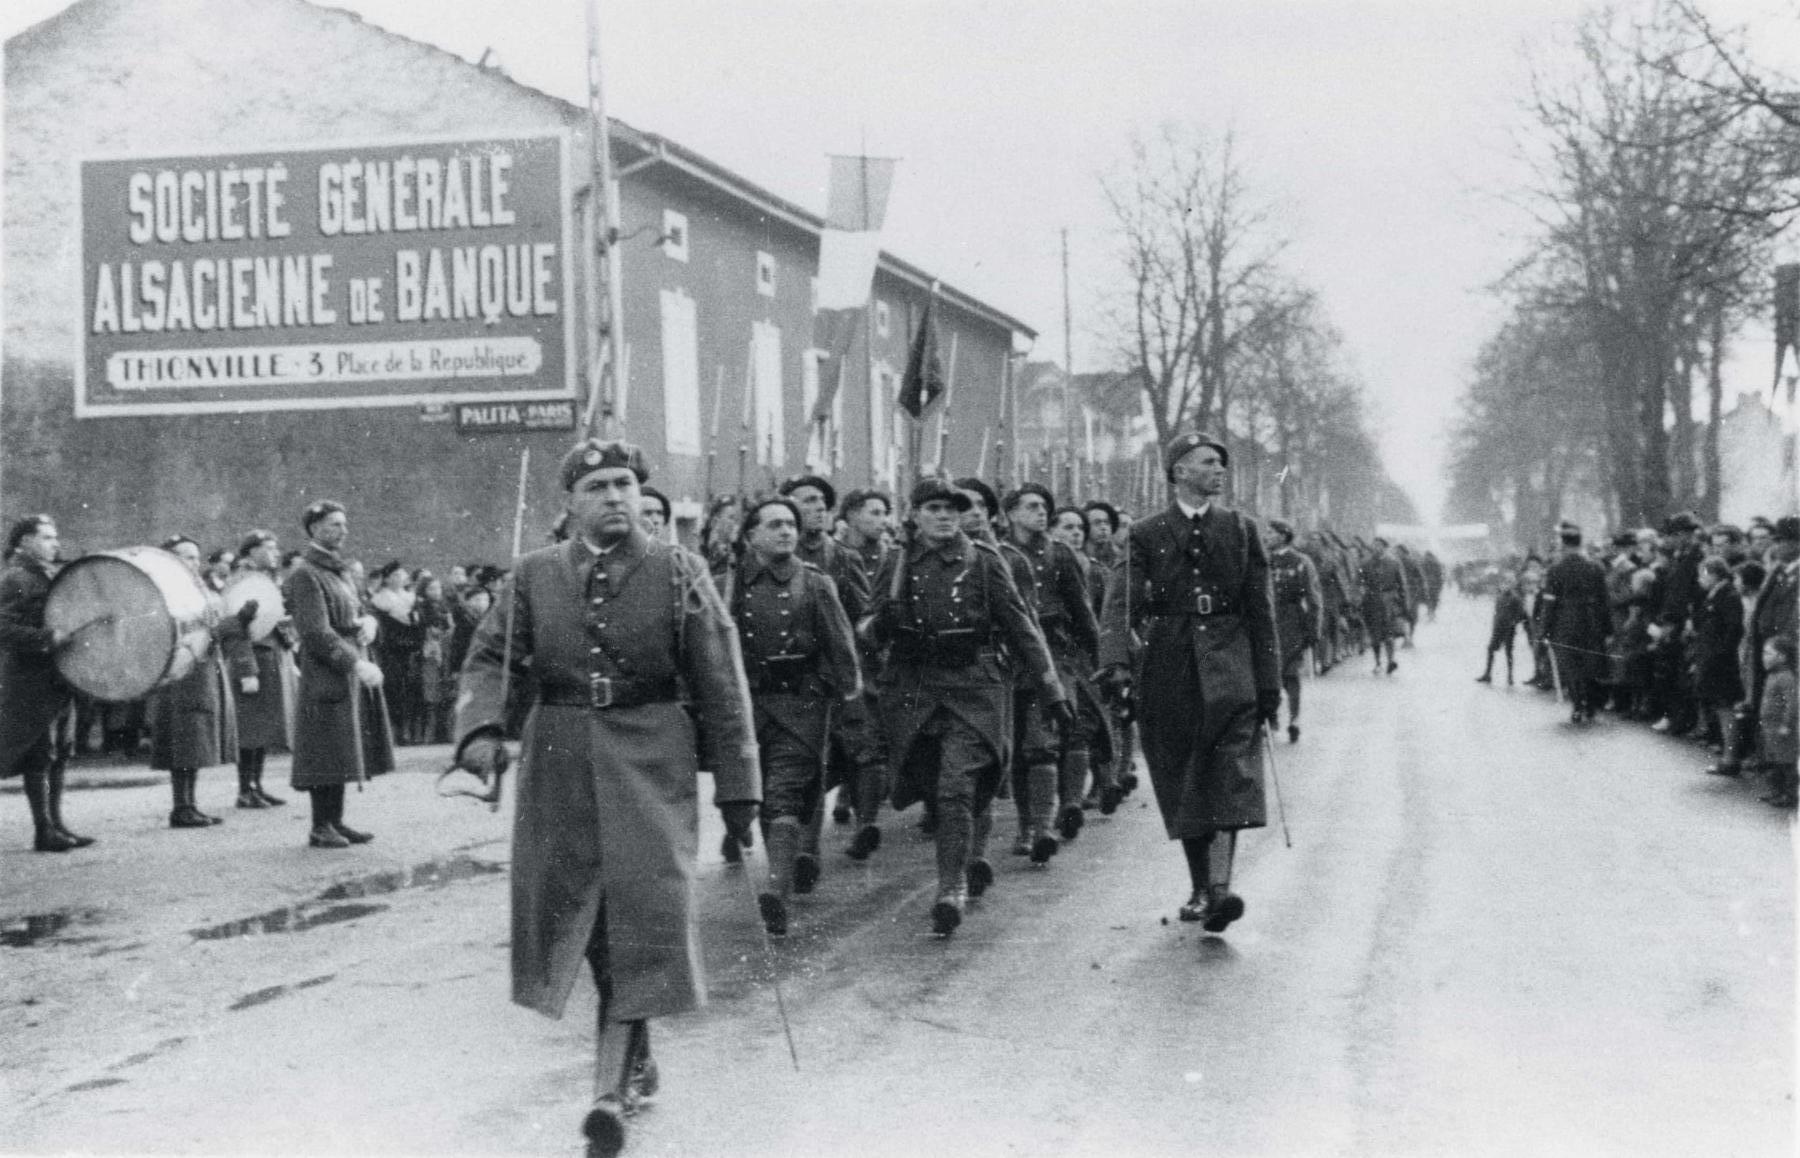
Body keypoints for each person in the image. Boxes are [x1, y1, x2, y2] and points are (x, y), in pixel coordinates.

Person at [452, 439, 759, 1157]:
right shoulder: (532, 575)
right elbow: (491, 656)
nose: (617, 496)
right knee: (580, 917)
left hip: (652, 754)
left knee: (644, 912)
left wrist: (739, 786)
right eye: (598, 486)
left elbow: (721, 681)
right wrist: (481, 730)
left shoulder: (680, 571)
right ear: (570, 502)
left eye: (626, 483)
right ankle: (634, 1055)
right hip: (558, 757)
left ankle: (608, 1094)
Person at [867, 478, 1069, 936]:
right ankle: (961, 861)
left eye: (952, 509)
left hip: (973, 689)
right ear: (915, 515)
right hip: (916, 691)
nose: (944, 517)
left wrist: (1051, 689)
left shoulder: (984, 560)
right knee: (933, 787)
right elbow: (865, 628)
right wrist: (882, 622)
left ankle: (950, 887)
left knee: (956, 786)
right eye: (934, 509)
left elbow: (1022, 627)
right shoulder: (896, 562)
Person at [1099, 432, 1279, 933]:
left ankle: (1220, 889)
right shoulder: (1146, 533)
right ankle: (1201, 886)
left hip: (1231, 663)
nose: (1219, 469)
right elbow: (1120, 601)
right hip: (1169, 663)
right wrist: (1116, 663)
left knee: (1230, 772)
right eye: (1208, 462)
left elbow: (1261, 610)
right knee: (1182, 775)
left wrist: (1268, 682)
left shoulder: (1241, 529)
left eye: (1221, 462)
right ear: (1179, 471)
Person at [725, 497, 860, 936]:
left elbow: (842, 648)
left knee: (784, 791)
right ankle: (779, 881)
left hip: (802, 706)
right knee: (763, 793)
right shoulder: (730, 583)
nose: (786, 531)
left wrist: (848, 701)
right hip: (749, 706)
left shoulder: (815, 583)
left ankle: (776, 893)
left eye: (791, 524)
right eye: (775, 524)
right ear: (751, 536)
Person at [779, 474, 884, 866]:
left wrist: (862, 662)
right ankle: (807, 850)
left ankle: (866, 825)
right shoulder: (771, 555)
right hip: (796, 681)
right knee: (810, 760)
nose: (819, 507)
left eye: (822, 501)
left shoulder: (842, 557)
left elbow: (863, 615)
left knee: (864, 748)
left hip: (840, 674)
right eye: (808, 500)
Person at [1002, 482, 1108, 861]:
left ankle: (1043, 827)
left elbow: (1082, 611)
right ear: (1011, 513)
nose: (1041, 512)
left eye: (1044, 506)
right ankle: (1025, 825)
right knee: (1017, 748)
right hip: (1010, 659)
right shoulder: (998, 554)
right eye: (1031, 506)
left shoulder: (1059, 554)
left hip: (1054, 656)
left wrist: (1101, 660)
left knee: (1041, 743)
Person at [283, 501, 394, 849]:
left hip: (344, 667)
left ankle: (336, 820)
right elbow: (316, 632)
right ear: (314, 528)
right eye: (334, 524)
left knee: (342, 746)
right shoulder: (305, 574)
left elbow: (356, 609)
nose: (343, 531)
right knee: (324, 748)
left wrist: (369, 621)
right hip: (327, 671)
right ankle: (320, 825)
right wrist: (355, 664)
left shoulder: (337, 571)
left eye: (344, 524)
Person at [149, 535, 257, 828]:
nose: (194, 563)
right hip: (181, 674)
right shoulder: (164, 593)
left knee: (195, 740)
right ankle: (181, 806)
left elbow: (215, 629)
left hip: (203, 673)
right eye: (187, 557)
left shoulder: (200, 591)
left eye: (196, 557)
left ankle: (189, 804)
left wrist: (240, 620)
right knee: (184, 739)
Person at [0, 514, 92, 852]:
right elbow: (3, 629)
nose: (55, 543)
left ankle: (57, 825)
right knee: (39, 757)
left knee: (59, 754)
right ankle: (44, 830)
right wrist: (48, 638)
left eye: (55, 537)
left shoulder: (47, 575)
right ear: (25, 541)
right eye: (47, 537)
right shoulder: (16, 577)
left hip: (57, 680)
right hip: (31, 682)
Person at [229, 529, 294, 809]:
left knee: (263, 725)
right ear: (252, 551)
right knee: (250, 727)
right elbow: (236, 627)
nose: (275, 553)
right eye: (269, 548)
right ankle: (245, 789)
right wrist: (246, 669)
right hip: (253, 657)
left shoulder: (265, 579)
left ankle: (256, 785)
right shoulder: (244, 580)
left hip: (269, 654)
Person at [1539, 522, 1612, 724]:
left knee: (1571, 666)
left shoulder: (1556, 569)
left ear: (1564, 544)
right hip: (1591, 621)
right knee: (1590, 663)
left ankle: (1578, 705)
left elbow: (1549, 603)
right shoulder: (1595, 567)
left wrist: (1544, 630)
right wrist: (1608, 628)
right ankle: (1591, 705)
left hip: (1565, 623)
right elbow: (1604, 600)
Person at [1265, 518, 1322, 743]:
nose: (1267, 537)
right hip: (1266, 622)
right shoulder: (1263, 560)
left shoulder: (1301, 562)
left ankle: (1294, 719)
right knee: (1268, 673)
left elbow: (1313, 598)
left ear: (1283, 536)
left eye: (1271, 533)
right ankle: (1271, 718)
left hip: (1291, 622)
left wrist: (1313, 629)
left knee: (1290, 674)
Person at [1693, 556, 1747, 775]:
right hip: (1712, 658)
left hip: (1720, 662)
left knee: (1726, 708)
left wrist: (1719, 655)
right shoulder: (1716, 595)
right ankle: (1728, 756)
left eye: (1703, 574)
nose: (1700, 579)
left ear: (1715, 574)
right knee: (1721, 707)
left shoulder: (1728, 596)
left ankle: (1730, 759)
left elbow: (1734, 629)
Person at [1754, 636, 1796, 807]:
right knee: (1773, 761)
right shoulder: (1772, 675)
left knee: (1785, 762)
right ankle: (1777, 792)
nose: (1764, 657)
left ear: (1782, 657)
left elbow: (1792, 703)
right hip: (1769, 727)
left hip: (1781, 728)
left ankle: (1789, 795)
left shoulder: (1786, 677)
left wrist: (1787, 724)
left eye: (1768, 653)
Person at [1360, 538, 1408, 675]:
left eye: (1379, 546)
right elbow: (1359, 582)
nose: (1376, 548)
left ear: (1385, 547)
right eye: (1374, 545)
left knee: (1389, 634)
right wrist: (1360, 597)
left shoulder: (1394, 563)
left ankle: (1391, 661)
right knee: (1374, 635)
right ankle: (1377, 662)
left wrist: (1404, 605)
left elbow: (1402, 585)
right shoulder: (1365, 563)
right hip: (1371, 602)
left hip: (1389, 602)